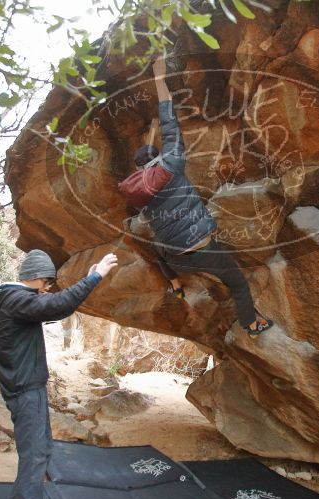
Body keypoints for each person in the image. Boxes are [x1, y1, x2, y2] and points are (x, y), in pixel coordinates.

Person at [117, 56, 274, 338]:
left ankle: (175, 286)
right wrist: (159, 79)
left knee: (158, 245)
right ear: (160, 158)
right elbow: (168, 121)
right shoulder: (173, 163)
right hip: (204, 251)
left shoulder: (139, 193)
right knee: (238, 283)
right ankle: (252, 325)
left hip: (177, 260)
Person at [0, 249, 118, 499]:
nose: (46, 289)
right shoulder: (17, 300)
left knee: (40, 451)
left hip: (28, 388)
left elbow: (55, 306)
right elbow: (59, 305)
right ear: (35, 278)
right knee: (34, 456)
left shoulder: (17, 301)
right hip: (25, 392)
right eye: (46, 283)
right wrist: (95, 276)